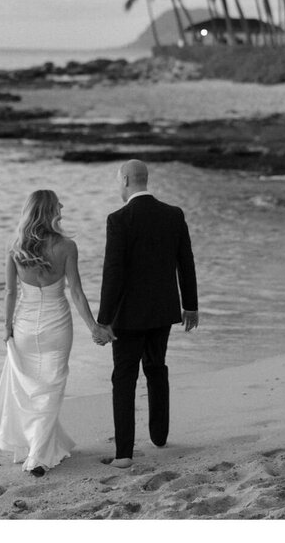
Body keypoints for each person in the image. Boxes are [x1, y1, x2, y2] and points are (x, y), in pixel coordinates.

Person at [0, 190, 113, 476]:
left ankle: (42, 444)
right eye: (58, 204)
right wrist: (93, 326)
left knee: (32, 389)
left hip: (25, 327)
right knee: (51, 389)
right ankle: (37, 456)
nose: (62, 207)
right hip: (57, 325)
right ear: (48, 211)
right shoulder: (67, 246)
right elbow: (77, 293)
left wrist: (6, 326)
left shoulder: (14, 246)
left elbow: (9, 292)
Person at [97, 160, 198, 468]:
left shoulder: (119, 219)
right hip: (163, 311)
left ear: (126, 180)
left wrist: (103, 319)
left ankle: (124, 454)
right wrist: (190, 305)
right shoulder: (173, 214)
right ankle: (159, 436)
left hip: (127, 317)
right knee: (156, 367)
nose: (118, 186)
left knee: (124, 378)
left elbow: (112, 273)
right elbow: (186, 261)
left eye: (118, 181)